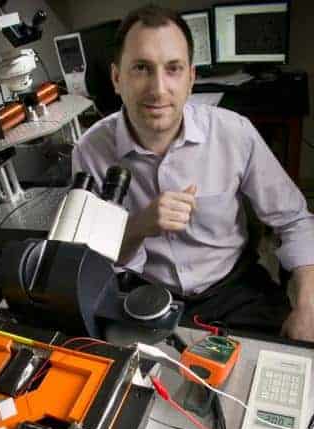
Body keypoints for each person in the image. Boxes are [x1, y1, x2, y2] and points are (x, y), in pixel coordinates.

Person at [72, 5, 314, 342]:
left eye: (173, 69)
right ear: (117, 78)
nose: (158, 89)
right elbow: (91, 261)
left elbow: (295, 221)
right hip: (145, 295)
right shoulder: (90, 151)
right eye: (141, 68)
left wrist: (307, 307)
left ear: (191, 79)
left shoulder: (234, 133)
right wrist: (139, 226)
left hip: (235, 290)